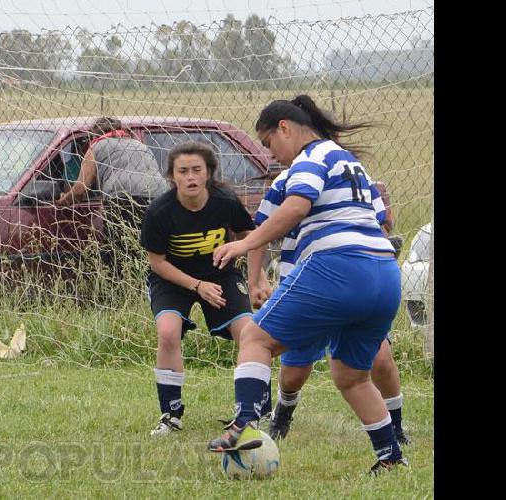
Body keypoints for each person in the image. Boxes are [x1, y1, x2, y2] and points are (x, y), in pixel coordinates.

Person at [210, 95, 407, 474]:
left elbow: (297, 206)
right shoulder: (351, 164)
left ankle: (242, 425)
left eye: (269, 144)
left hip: (337, 268)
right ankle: (391, 456)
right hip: (383, 274)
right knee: (350, 375)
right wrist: (255, 276)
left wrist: (244, 243)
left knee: (254, 338)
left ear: (284, 127)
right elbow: (385, 220)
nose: (273, 156)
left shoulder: (310, 159)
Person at [249, 171, 410, 445]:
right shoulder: (286, 182)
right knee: (293, 375)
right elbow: (260, 230)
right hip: (305, 287)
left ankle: (395, 428)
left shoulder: (352, 175)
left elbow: (384, 222)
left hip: (352, 282)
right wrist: (255, 280)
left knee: (380, 358)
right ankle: (282, 414)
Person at [139, 141, 273, 440]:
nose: (190, 177)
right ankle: (170, 414)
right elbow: (157, 263)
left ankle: (256, 412)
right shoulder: (160, 211)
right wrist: (197, 286)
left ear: (209, 173)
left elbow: (248, 237)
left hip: (221, 274)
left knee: (249, 331)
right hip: (173, 279)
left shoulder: (225, 201)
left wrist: (258, 278)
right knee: (168, 332)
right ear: (172, 176)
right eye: (182, 171)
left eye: (196, 170)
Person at [54, 117, 169, 207]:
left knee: (119, 236)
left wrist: (62, 200)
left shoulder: (96, 146)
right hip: (160, 197)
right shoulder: (139, 145)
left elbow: (80, 190)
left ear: (94, 135)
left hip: (123, 198)